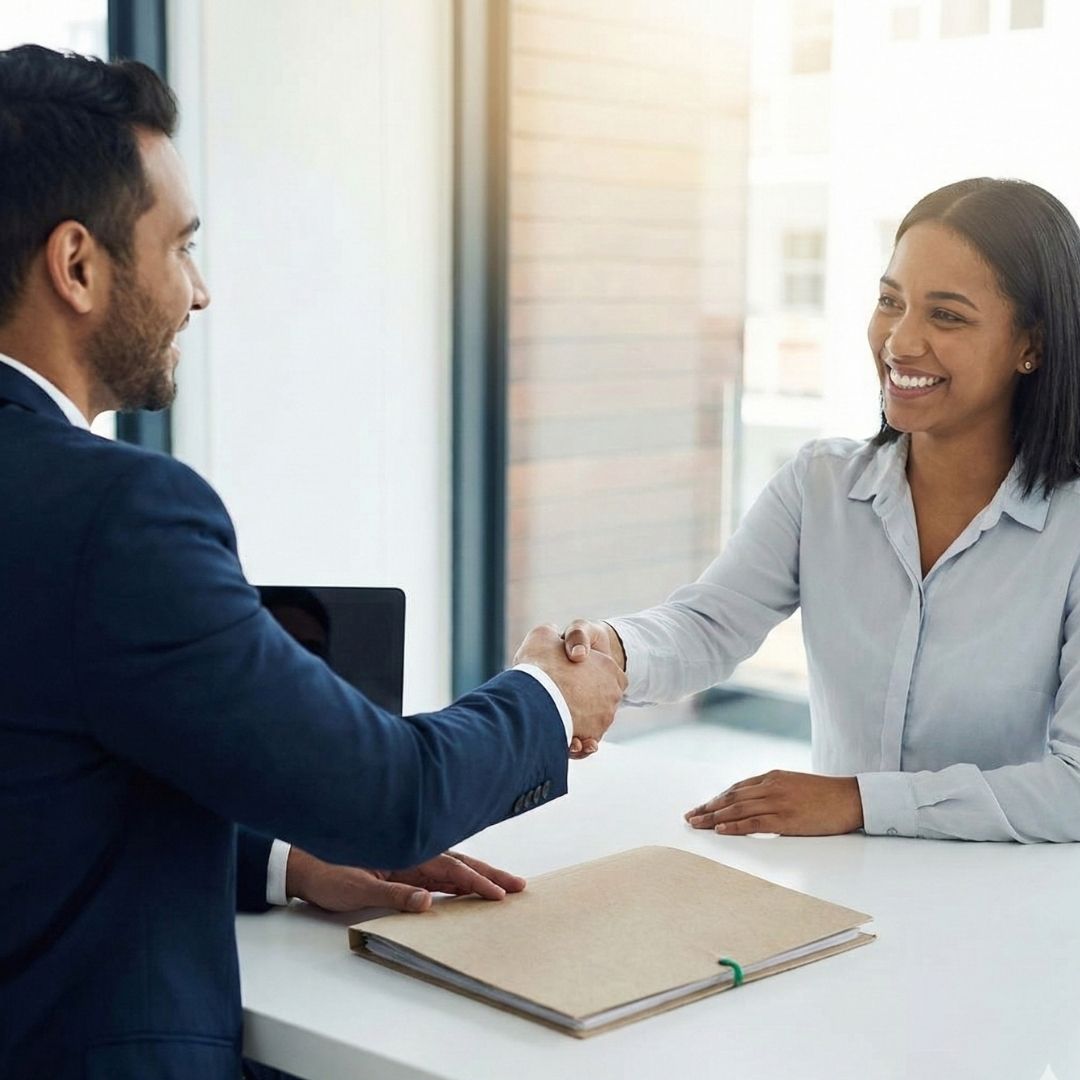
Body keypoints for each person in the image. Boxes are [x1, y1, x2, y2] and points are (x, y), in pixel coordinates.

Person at [0, 45, 626, 1079]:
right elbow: (389, 793)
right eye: (180, 247)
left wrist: (284, 862)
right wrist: (551, 697)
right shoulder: (116, 515)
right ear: (78, 265)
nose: (197, 294)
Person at [557, 177, 1080, 845]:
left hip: (1015, 916)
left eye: (945, 315)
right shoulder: (821, 484)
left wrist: (860, 802)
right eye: (891, 301)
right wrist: (612, 649)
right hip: (847, 897)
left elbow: (1073, 788)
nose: (901, 340)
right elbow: (709, 626)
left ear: (1030, 344)